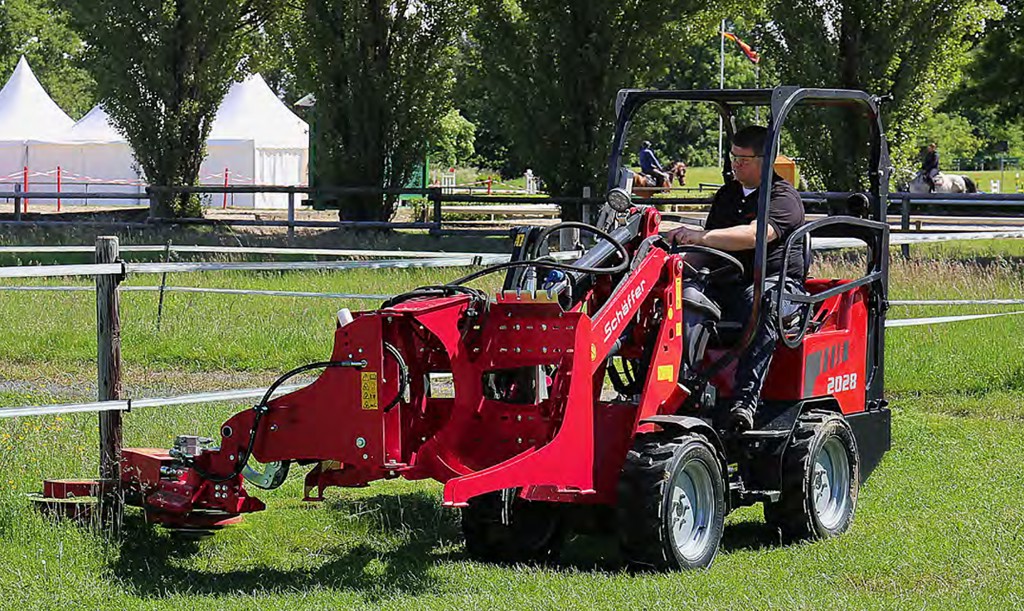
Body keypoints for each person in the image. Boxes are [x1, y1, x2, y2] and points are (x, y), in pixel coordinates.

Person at [665, 126, 806, 433]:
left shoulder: (783, 197)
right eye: (733, 157)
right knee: (682, 295)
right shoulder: (727, 195)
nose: (736, 164)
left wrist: (702, 236)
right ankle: (678, 387)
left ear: (766, 160)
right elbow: (707, 249)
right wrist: (675, 264)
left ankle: (745, 402)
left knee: (762, 301)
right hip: (728, 280)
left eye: (744, 158)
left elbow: (756, 235)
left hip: (777, 284)